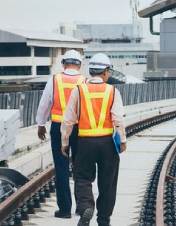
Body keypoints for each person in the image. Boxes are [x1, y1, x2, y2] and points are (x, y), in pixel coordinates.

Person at [61, 53, 127, 226]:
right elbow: (118, 118)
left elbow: (68, 119)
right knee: (108, 182)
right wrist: (123, 139)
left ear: (91, 71)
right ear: (105, 72)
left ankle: (85, 207)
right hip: (107, 144)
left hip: (84, 143)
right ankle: (104, 219)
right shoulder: (112, 91)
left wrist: (65, 142)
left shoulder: (79, 90)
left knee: (82, 178)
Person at [35, 49, 85, 218]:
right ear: (80, 65)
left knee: (61, 168)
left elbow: (44, 105)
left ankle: (64, 210)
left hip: (58, 127)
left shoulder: (54, 80)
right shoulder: (85, 82)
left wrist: (41, 124)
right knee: (80, 167)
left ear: (63, 63)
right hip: (79, 129)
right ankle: (81, 206)